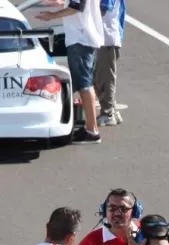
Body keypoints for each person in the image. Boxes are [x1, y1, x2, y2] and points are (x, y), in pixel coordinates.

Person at [36, 0, 103, 144]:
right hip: (84, 38)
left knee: (84, 85)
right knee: (85, 83)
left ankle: (92, 131)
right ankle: (90, 128)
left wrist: (52, 16)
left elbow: (77, 6)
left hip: (81, 39)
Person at [94, 0, 125, 126]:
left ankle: (107, 114)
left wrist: (81, 14)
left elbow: (103, 9)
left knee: (105, 79)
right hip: (105, 37)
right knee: (99, 77)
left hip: (106, 38)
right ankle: (112, 110)